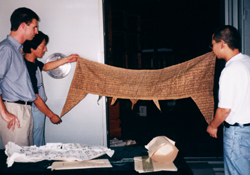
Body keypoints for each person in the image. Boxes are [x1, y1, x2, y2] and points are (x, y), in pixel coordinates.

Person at [207, 25, 250, 175]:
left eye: (213, 44)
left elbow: (225, 109)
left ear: (222, 44)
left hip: (238, 134)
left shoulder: (230, 70)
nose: (212, 48)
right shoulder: (247, 62)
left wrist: (213, 126)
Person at [23, 31, 79, 146]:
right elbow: (34, 97)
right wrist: (51, 115)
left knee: (37, 138)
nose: (45, 49)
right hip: (33, 108)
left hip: (38, 108)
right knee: (34, 140)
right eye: (43, 45)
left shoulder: (34, 63)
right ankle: (38, 162)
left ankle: (39, 161)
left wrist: (67, 59)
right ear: (33, 47)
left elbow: (46, 66)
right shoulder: (26, 68)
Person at [0, 7, 39, 147]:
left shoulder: (17, 49)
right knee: (18, 162)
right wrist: (4, 113)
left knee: (26, 160)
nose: (36, 31)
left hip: (24, 110)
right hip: (14, 111)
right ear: (23, 25)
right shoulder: (6, 49)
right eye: (34, 27)